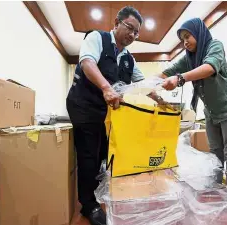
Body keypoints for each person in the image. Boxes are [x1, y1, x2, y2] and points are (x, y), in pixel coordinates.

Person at [66, 6, 165, 225]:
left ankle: (99, 194)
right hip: (83, 104)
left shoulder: (129, 59)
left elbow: (142, 84)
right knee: (89, 153)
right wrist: (105, 87)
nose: (132, 34)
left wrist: (160, 101)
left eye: (136, 32)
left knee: (104, 153)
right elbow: (87, 62)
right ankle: (88, 205)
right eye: (129, 27)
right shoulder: (97, 38)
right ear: (117, 23)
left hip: (107, 112)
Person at [159, 18, 227, 180]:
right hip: (212, 111)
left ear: (199, 33)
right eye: (182, 39)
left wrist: (179, 79)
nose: (185, 42)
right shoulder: (190, 59)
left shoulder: (214, 46)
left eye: (188, 36)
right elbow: (168, 72)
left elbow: (209, 68)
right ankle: (217, 188)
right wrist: (148, 84)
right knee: (215, 153)